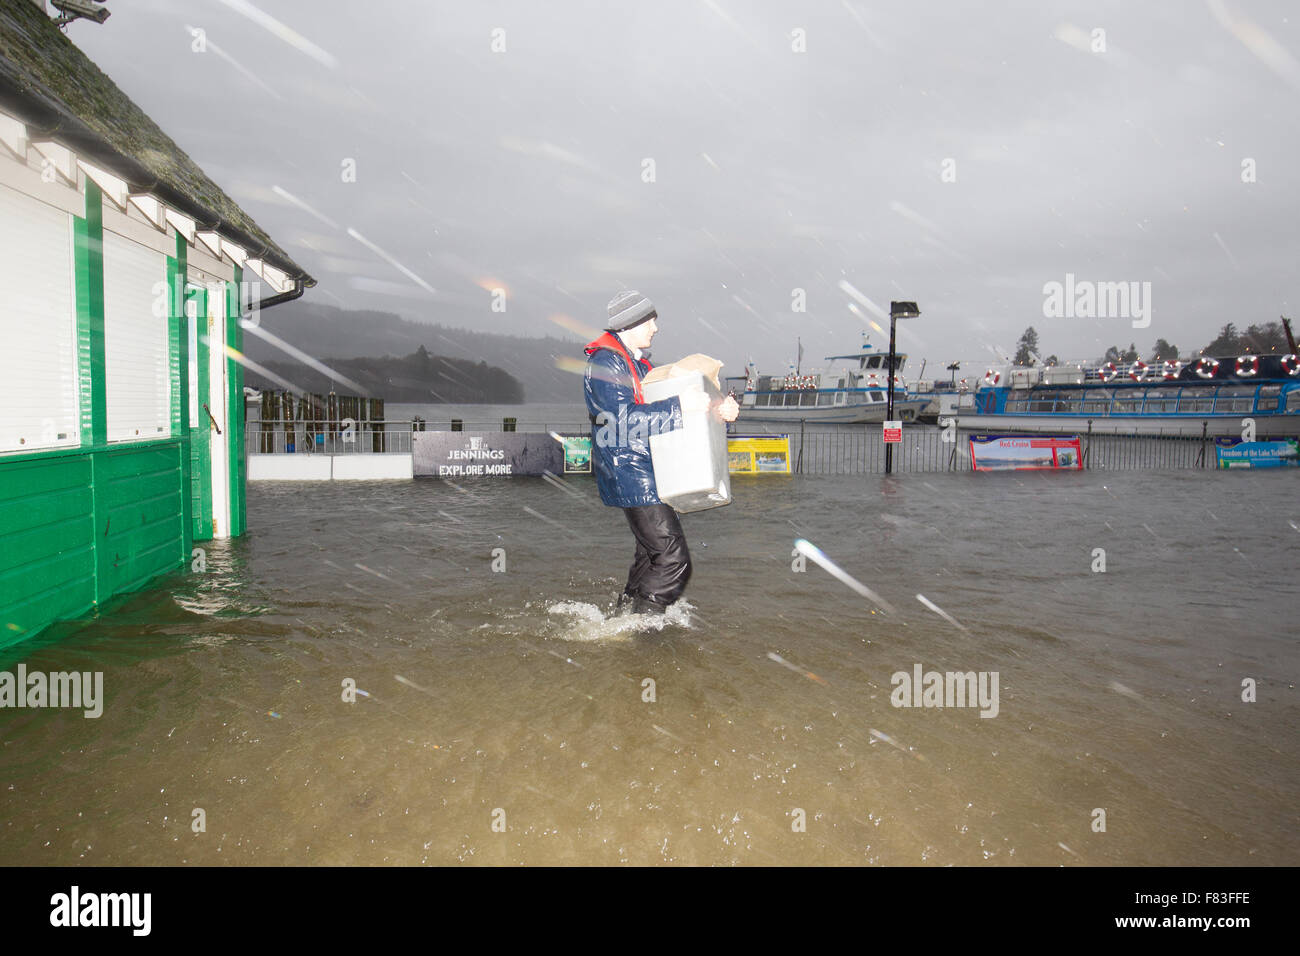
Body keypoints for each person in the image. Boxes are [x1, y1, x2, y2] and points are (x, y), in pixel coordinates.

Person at [583, 291, 739, 616]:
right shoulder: (605, 362)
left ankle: (621, 620)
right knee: (671, 559)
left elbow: (665, 404)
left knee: (650, 556)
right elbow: (620, 420)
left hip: (646, 469)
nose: (655, 328)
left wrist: (716, 408)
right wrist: (681, 407)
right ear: (630, 323)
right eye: (650, 322)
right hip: (631, 471)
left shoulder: (637, 364)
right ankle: (642, 632)